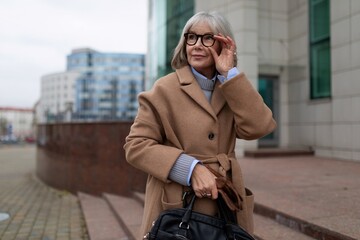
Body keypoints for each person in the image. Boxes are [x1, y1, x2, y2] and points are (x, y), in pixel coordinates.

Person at [124, 11, 276, 239]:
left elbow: (259, 127)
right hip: (177, 203)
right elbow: (135, 146)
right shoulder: (163, 89)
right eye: (191, 37)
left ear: (223, 44)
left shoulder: (231, 88)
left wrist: (229, 75)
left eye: (207, 38)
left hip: (225, 203)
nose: (196, 45)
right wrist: (190, 168)